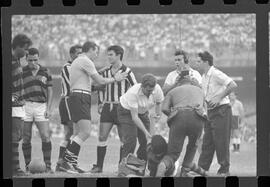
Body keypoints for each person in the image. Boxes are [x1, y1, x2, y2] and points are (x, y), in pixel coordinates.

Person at [59, 41, 128, 173]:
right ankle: (66, 161)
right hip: (81, 96)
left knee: (77, 133)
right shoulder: (85, 61)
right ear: (90, 49)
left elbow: (91, 79)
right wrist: (116, 78)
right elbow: (101, 81)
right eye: (96, 51)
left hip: (77, 96)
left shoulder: (78, 61)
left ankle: (70, 163)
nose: (96, 55)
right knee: (85, 132)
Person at [90, 45, 137, 173]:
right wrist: (100, 102)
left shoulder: (128, 72)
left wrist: (131, 106)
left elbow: (136, 90)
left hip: (122, 108)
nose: (108, 57)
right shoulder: (105, 71)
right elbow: (99, 86)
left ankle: (120, 167)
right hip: (107, 107)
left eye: (111, 54)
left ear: (118, 55)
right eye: (108, 54)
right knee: (102, 136)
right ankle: (99, 166)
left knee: (124, 139)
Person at [195, 51, 237, 176]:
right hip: (210, 112)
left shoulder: (216, 73)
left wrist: (219, 97)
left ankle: (224, 170)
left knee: (221, 141)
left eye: (198, 61)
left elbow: (232, 85)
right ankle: (202, 168)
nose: (196, 64)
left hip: (222, 110)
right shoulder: (203, 77)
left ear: (206, 62)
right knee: (207, 141)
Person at [155, 77, 208, 177]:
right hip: (197, 117)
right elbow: (205, 111)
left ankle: (164, 164)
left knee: (172, 154)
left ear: (179, 84)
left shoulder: (173, 91)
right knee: (192, 146)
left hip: (178, 116)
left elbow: (164, 108)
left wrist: (174, 114)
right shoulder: (200, 91)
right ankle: (186, 167)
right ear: (192, 83)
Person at [117, 74, 164, 164]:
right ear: (142, 86)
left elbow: (158, 103)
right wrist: (146, 132)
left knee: (146, 141)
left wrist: (158, 114)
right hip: (126, 112)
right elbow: (134, 117)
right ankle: (123, 166)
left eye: (152, 90)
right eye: (148, 90)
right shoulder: (133, 93)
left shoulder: (157, 89)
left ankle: (141, 163)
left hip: (142, 112)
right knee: (131, 140)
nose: (150, 93)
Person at [21, 48, 54, 173]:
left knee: (45, 136)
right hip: (26, 106)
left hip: (41, 106)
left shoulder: (46, 71)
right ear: (26, 59)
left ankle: (48, 167)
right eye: (30, 60)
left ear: (38, 58)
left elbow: (50, 90)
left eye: (35, 60)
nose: (33, 63)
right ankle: (27, 167)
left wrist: (49, 108)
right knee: (26, 137)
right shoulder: (22, 72)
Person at [55, 44, 82, 171]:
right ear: (71, 54)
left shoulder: (77, 67)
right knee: (71, 132)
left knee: (72, 133)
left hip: (73, 102)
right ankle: (64, 163)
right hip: (67, 100)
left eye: (82, 53)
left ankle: (64, 163)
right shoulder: (68, 67)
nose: (80, 56)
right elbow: (74, 84)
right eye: (78, 53)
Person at [11, 34, 32, 175]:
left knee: (17, 136)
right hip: (13, 105)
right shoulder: (10, 61)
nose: (27, 52)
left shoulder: (17, 61)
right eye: (25, 48)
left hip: (19, 104)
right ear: (17, 46)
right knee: (14, 136)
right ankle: (16, 168)